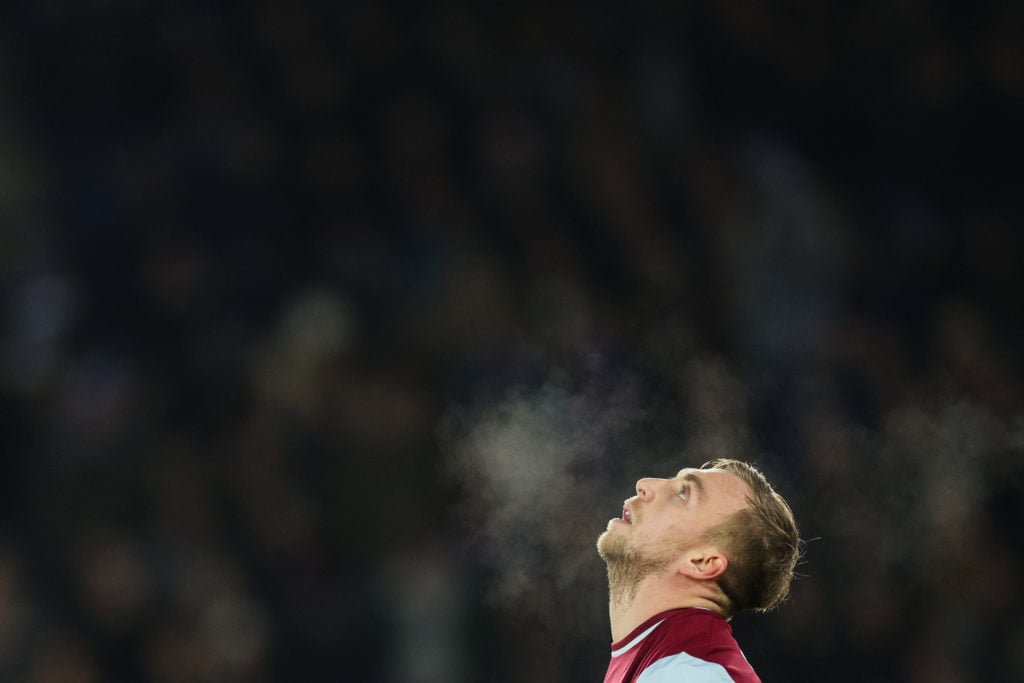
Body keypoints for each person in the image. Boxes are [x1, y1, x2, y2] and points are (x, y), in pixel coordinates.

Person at [596, 458, 801, 683]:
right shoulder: (668, 660)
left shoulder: (688, 673)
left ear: (703, 563)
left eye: (683, 494)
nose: (645, 484)